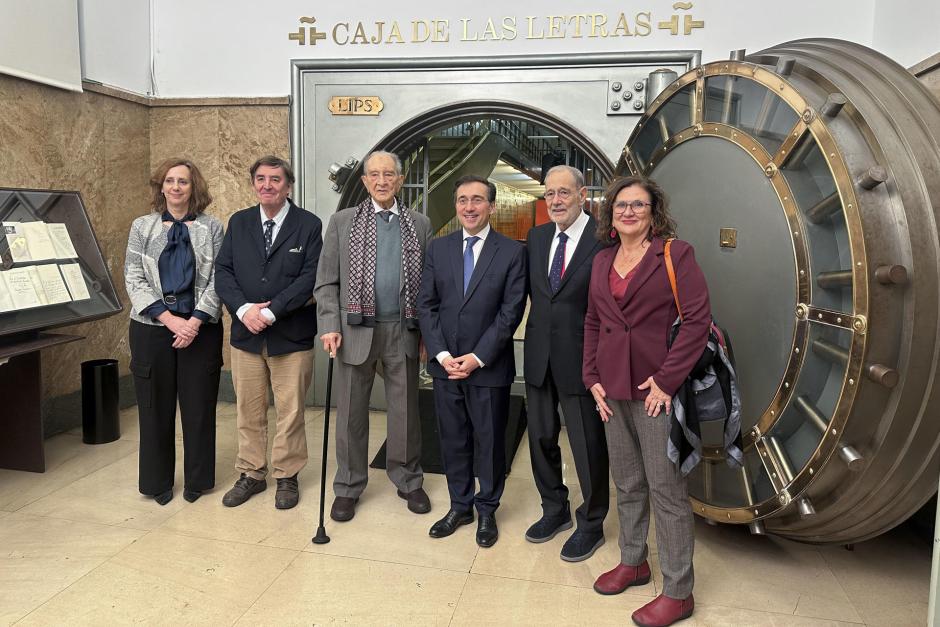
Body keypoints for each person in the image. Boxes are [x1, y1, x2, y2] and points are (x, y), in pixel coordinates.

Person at [583, 176, 710, 627]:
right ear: (610, 213)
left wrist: (667, 383)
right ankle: (633, 562)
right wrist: (592, 377)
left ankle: (679, 591)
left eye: (638, 205)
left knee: (667, 490)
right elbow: (594, 322)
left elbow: (697, 322)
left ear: (653, 212)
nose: (629, 212)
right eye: (621, 205)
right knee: (628, 483)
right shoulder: (601, 261)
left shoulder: (676, 254)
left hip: (656, 391)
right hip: (612, 390)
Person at [315, 150, 432, 522]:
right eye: (374, 175)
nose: (381, 181)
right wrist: (330, 324)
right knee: (350, 411)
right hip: (354, 330)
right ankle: (348, 486)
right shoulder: (342, 222)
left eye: (389, 174)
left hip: (404, 329)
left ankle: (408, 479)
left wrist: (429, 334)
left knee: (405, 411)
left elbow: (429, 286)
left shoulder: (420, 224)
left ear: (400, 179)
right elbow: (326, 282)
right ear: (364, 181)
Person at [418, 174, 528, 548]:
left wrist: (477, 357)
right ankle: (459, 505)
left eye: (477, 200)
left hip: (488, 367)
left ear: (492, 206)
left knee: (490, 442)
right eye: (463, 200)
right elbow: (426, 305)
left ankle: (486, 510)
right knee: (453, 440)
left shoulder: (512, 252)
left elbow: (511, 312)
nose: (469, 207)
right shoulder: (438, 249)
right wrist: (444, 355)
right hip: (446, 367)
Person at [214, 155, 322, 510]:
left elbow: (310, 277)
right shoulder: (240, 222)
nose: (267, 185)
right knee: (249, 409)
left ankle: (286, 476)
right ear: (253, 183)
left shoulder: (308, 225)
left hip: (290, 336)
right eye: (260, 178)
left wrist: (272, 311)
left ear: (288, 185)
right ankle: (251, 474)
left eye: (275, 179)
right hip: (246, 335)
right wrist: (244, 310)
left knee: (290, 411)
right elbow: (224, 272)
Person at [124, 158, 223, 506]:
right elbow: (133, 277)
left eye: (183, 181)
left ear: (194, 187)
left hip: (200, 330)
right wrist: (170, 320)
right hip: (153, 329)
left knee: (198, 408)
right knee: (154, 409)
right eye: (170, 181)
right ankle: (157, 482)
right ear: (161, 187)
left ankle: (198, 480)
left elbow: (218, 279)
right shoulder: (142, 227)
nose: (176, 187)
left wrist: (193, 321)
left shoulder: (212, 228)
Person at [523, 165, 608, 561]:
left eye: (563, 193)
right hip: (539, 356)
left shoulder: (603, 239)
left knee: (587, 445)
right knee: (540, 439)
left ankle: (591, 523)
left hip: (582, 361)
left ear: (582, 194)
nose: (555, 201)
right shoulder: (537, 237)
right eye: (549, 194)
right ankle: (553, 509)